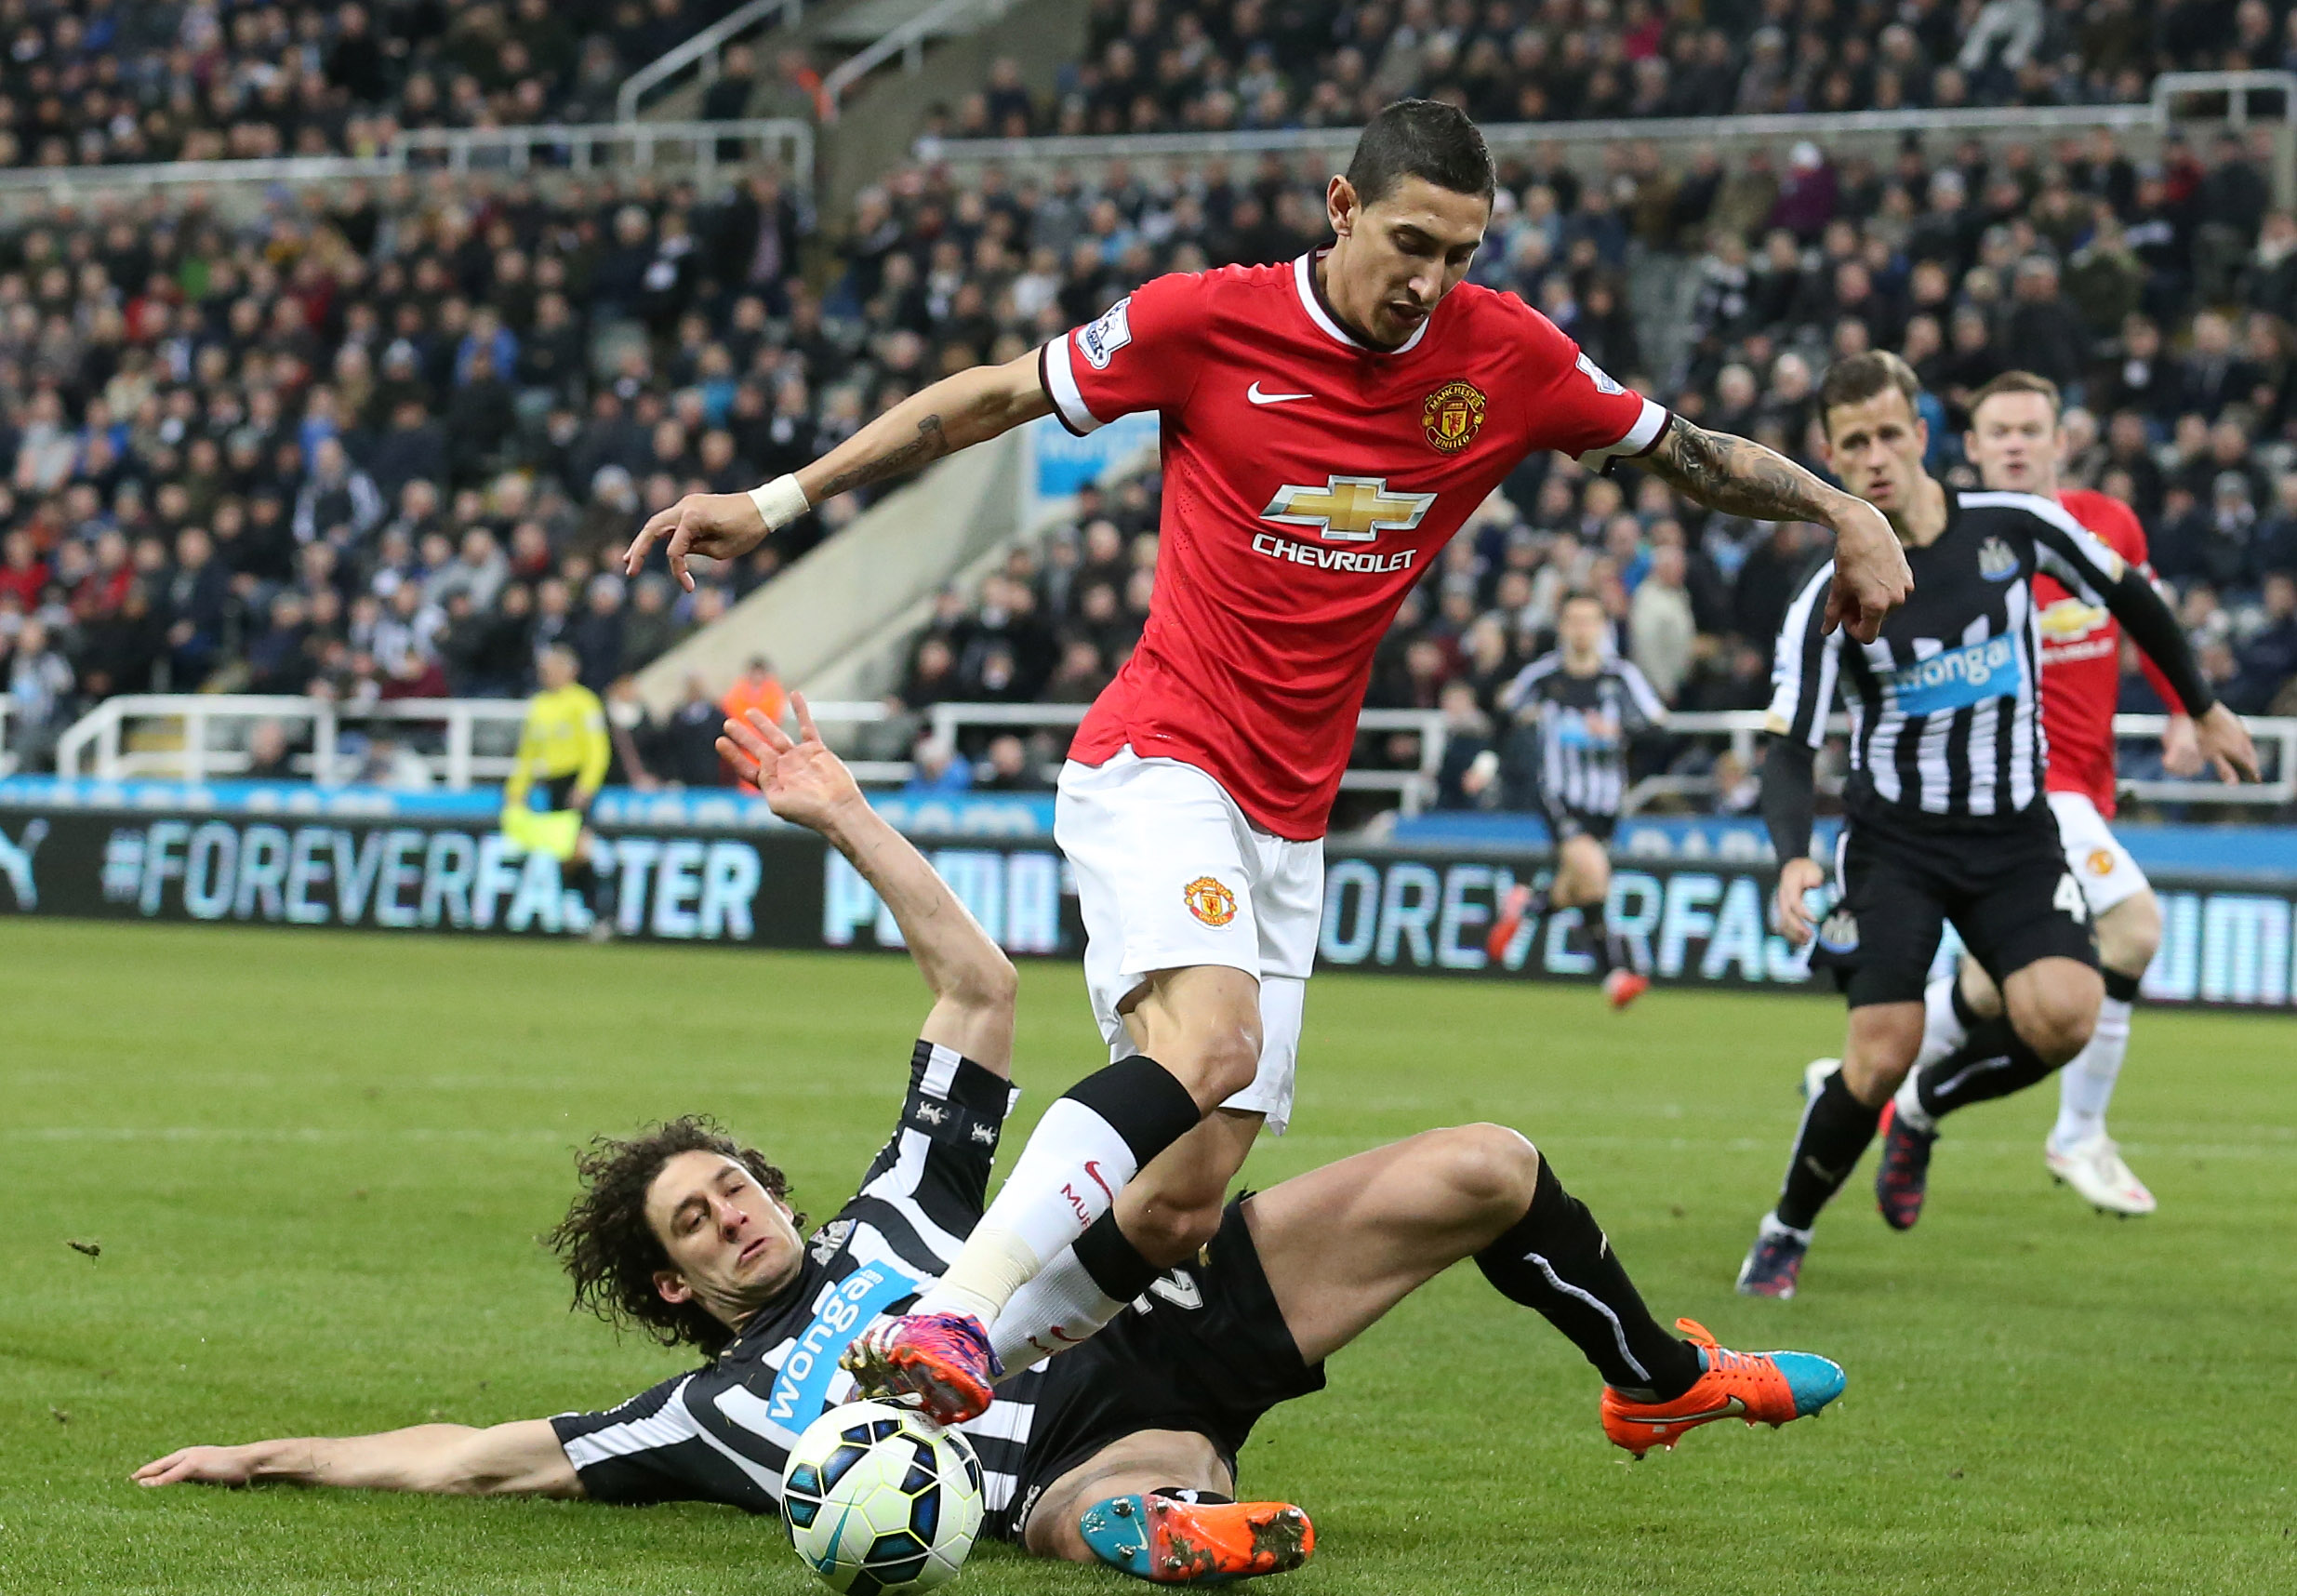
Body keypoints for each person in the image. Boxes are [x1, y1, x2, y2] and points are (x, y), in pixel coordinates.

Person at [624, 99, 1914, 1422]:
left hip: (1287, 818)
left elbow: (1683, 451)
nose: (1430, 278)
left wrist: (1841, 506)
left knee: (1179, 1204)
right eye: (1411, 240)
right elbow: (992, 398)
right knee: (1216, 1040)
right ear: (1342, 208)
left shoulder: (1503, 357)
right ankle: (953, 1308)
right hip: (1157, 755)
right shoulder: (1206, 321)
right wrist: (772, 502)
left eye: (1461, 253)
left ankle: (900, 1407)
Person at [135, 703, 1848, 1585]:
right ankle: (1163, 1523)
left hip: (1165, 1297)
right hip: (1054, 1456)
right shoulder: (702, 1415)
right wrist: (273, 1454)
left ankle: (1648, 1365)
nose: (733, 1207)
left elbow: (973, 980)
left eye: (731, 1179)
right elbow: (473, 1455)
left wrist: (843, 812)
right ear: (671, 1281)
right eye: (698, 1216)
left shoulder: (909, 1199)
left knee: (1485, 1160)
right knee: (1122, 1495)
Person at [1736, 352, 2258, 1300]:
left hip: (2014, 837)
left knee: (2065, 1014)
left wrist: (2205, 705)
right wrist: (1790, 859)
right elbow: (1786, 744)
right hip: (1894, 845)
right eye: (1854, 443)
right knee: (1878, 1048)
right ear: (1829, 457)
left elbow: (2128, 589)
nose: (1877, 456)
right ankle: (1787, 1225)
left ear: (1923, 433)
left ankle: (1928, 1108)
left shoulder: (2012, 528)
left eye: (1890, 433)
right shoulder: (1826, 595)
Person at [1908, 371, 2211, 1217]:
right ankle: (2079, 1132)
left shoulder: (2106, 524)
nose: (2014, 443)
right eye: (1997, 429)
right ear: (1969, 447)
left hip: (2088, 785)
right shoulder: (1951, 541)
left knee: (1988, 988)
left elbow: (2143, 611)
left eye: (2029, 429)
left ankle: (1868, 1076)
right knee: (2134, 928)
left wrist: (2186, 708)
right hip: (2025, 789)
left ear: (2058, 440)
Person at [1484, 591, 1668, 1008]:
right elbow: (1502, 710)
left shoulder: (1620, 677)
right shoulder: (1544, 676)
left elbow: (1659, 727)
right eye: (1574, 620)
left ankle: (1527, 904)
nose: (1582, 630)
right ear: (1562, 626)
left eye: (1590, 620)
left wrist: (1618, 733)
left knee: (1580, 885)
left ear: (1603, 627)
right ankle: (1616, 974)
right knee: (1593, 869)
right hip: (1560, 795)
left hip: (1606, 803)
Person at [502, 644, 615, 938]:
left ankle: (602, 912)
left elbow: (598, 749)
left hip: (575, 781)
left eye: (552, 668)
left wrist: (587, 785)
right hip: (552, 782)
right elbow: (528, 751)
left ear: (569, 670)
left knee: (578, 850)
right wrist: (517, 788)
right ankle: (580, 913)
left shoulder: (583, 702)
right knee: (562, 852)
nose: (546, 674)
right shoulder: (539, 705)